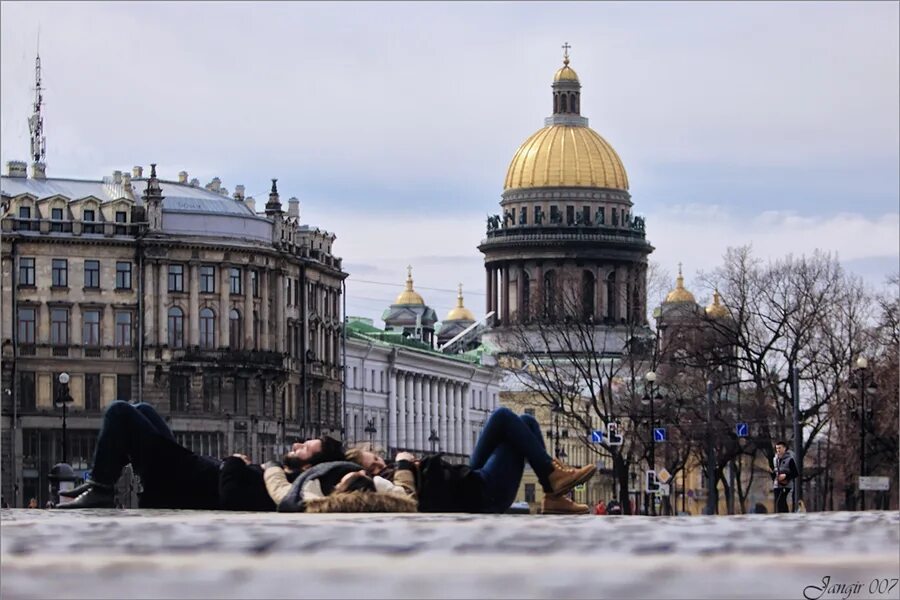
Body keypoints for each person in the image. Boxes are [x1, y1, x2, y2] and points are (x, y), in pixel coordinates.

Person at [57, 400, 344, 509]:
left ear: (311, 464)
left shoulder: (290, 487)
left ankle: (102, 488)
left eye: (305, 448)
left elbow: (231, 498)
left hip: (183, 479)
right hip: (189, 468)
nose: (296, 446)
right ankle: (101, 479)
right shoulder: (283, 476)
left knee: (120, 411)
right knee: (143, 409)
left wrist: (233, 462)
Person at [354, 407, 596, 514]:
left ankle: (553, 496)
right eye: (372, 465)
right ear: (360, 473)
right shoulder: (380, 484)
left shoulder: (386, 473)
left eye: (376, 458)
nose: (380, 464)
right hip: (483, 494)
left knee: (525, 421)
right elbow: (406, 500)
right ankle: (552, 480)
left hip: (467, 480)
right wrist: (405, 465)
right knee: (505, 417)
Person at [772, 440, 799, 513]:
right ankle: (783, 516)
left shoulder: (790, 460)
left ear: (784, 448)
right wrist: (775, 475)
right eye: (777, 448)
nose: (778, 450)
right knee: (779, 502)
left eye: (780, 448)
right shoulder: (775, 459)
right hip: (777, 484)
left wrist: (786, 476)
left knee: (781, 501)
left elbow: (795, 473)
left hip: (786, 484)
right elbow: (775, 470)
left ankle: (785, 516)